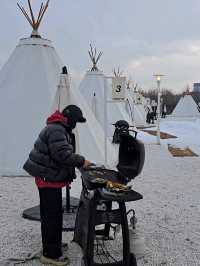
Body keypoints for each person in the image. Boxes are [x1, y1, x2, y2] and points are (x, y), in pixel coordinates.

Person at [23, 105, 91, 266]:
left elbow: (61, 153)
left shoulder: (58, 128)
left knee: (54, 213)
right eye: (76, 121)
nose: (76, 124)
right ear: (69, 119)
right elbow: (62, 154)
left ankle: (53, 245)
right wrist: (82, 161)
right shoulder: (56, 130)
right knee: (51, 216)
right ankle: (50, 255)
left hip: (49, 177)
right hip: (47, 179)